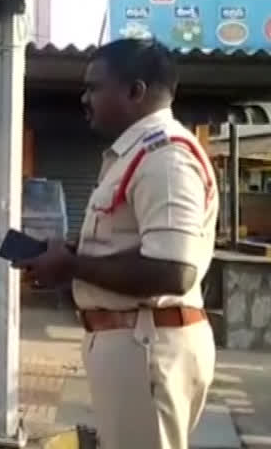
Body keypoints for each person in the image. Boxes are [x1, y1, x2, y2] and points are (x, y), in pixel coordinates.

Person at [17, 38, 218, 449]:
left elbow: (173, 270)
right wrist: (67, 257)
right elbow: (132, 248)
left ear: (135, 91)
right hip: (133, 345)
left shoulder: (165, 158)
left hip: (146, 348)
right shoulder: (135, 155)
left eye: (94, 87)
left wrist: (72, 266)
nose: (84, 99)